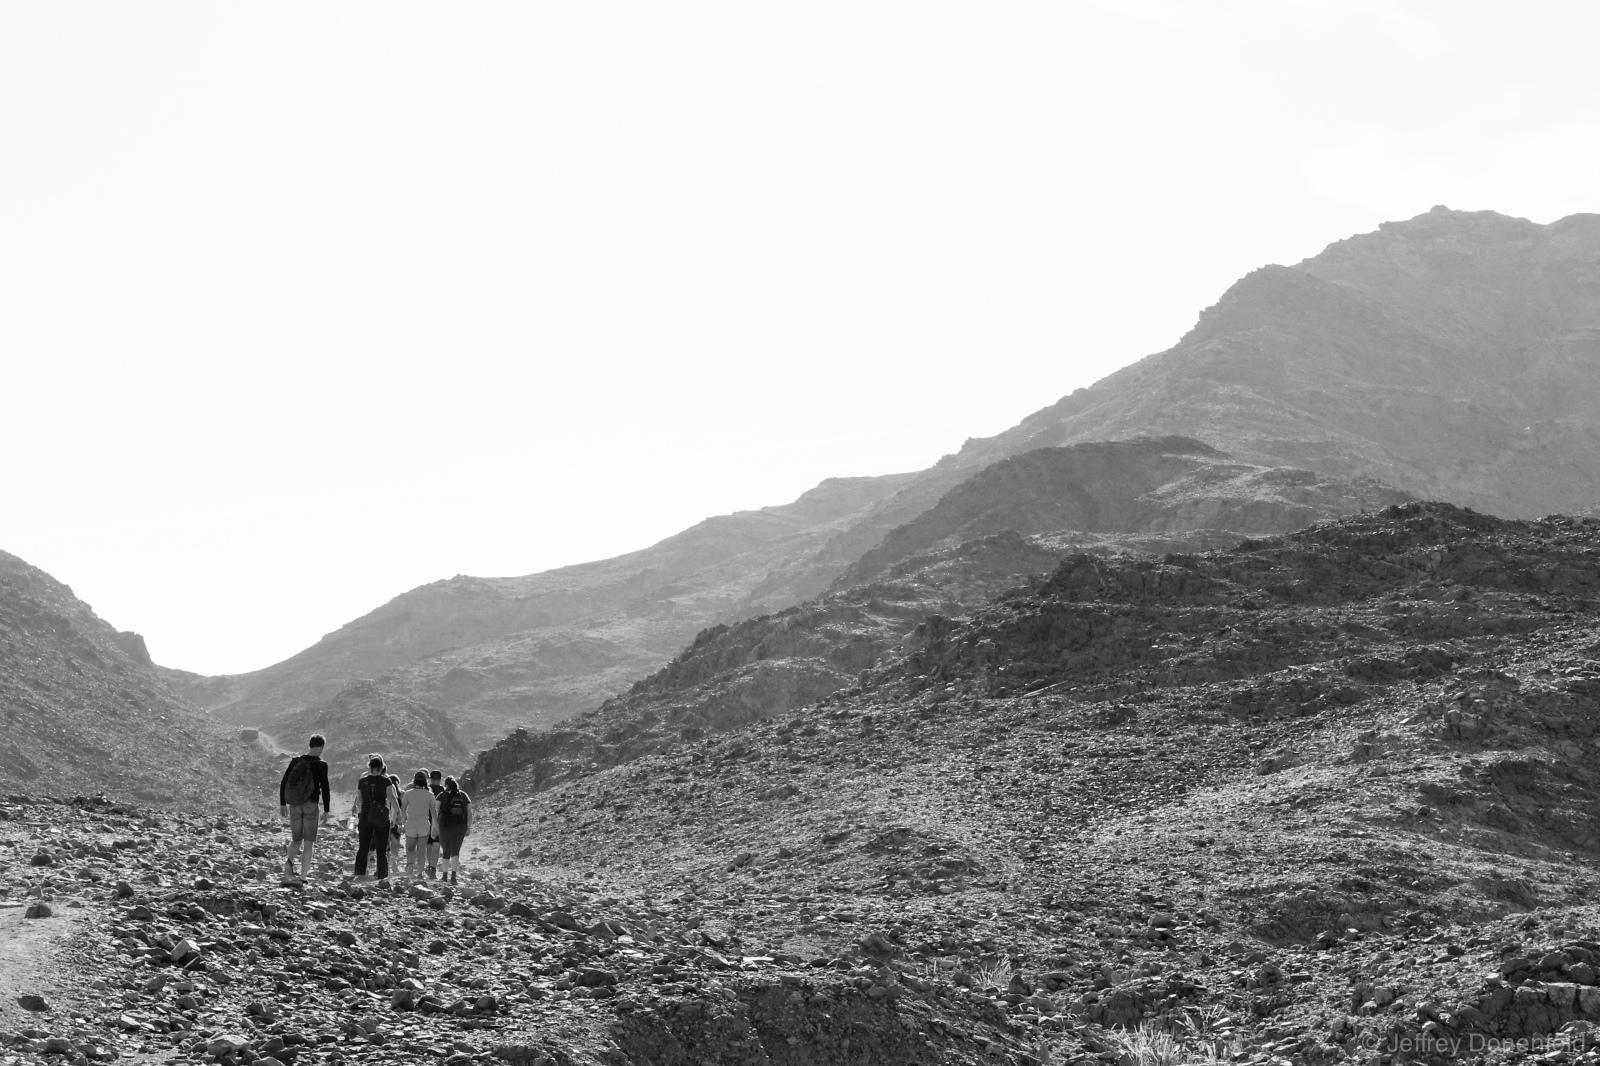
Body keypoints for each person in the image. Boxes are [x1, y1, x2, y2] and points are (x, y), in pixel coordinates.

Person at [278, 734, 331, 878]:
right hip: (311, 806)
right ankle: (302, 877)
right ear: (320, 748)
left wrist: (283, 803)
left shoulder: (296, 761)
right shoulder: (321, 765)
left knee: (296, 839)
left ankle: (289, 862)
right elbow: (325, 788)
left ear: (310, 745)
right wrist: (326, 810)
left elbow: (284, 782)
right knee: (308, 843)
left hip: (294, 805)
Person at [353, 756, 400, 879]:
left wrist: (361, 813)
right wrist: (397, 813)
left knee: (363, 847)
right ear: (381, 767)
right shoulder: (386, 781)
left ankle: (359, 874)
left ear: (370, 767)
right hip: (381, 818)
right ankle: (382, 875)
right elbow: (392, 798)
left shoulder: (362, 781)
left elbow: (358, 801)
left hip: (365, 816)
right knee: (381, 848)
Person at [400, 770, 439, 880]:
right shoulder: (430, 795)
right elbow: (434, 812)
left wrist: (400, 824)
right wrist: (436, 826)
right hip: (424, 826)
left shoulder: (408, 794)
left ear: (414, 781)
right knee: (421, 851)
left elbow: (402, 811)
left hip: (411, 825)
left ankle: (410, 869)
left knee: (410, 849)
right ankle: (420, 874)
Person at [436, 776, 472, 885]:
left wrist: (435, 826)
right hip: (460, 827)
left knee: (446, 851)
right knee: (455, 851)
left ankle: (444, 876)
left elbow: (435, 811)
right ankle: (454, 877)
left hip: (445, 826)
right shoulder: (463, 795)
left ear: (446, 785)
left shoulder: (441, 795)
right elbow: (469, 813)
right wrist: (468, 827)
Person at [425, 770, 444, 879]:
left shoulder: (427, 790)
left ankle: (429, 866)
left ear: (430, 778)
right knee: (436, 846)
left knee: (428, 845)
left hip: (427, 820)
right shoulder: (443, 791)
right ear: (440, 779)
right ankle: (433, 868)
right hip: (439, 822)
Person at [386, 773, 404, 877]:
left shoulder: (388, 793)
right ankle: (394, 859)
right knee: (396, 843)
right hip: (398, 822)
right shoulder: (402, 794)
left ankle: (387, 864)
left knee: (386, 843)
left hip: (387, 821)